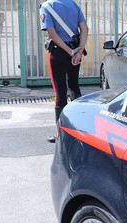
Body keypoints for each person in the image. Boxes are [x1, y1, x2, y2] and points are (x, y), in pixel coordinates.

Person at [40, 0, 87, 142]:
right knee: (74, 87)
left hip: (58, 52)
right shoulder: (74, 5)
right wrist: (79, 50)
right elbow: (85, 29)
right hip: (75, 49)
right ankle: (79, 131)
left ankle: (60, 134)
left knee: (60, 91)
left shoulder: (47, 6)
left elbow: (52, 33)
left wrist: (69, 51)